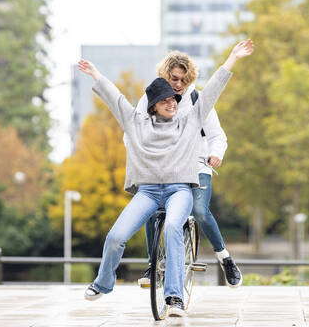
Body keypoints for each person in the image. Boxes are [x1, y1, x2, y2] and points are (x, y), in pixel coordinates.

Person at [79, 39, 254, 319]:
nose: (173, 101)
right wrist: (96, 74)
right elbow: (115, 99)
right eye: (166, 100)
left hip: (179, 189)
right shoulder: (137, 121)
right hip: (147, 191)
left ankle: (175, 297)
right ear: (152, 105)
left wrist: (232, 57)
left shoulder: (189, 120)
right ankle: (103, 283)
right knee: (115, 236)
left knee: (174, 226)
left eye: (175, 98)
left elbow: (213, 92)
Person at [136, 51, 242, 289]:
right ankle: (154, 264)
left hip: (196, 165)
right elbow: (132, 132)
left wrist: (216, 154)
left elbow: (217, 136)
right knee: (152, 210)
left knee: (200, 211)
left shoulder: (197, 100)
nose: (178, 85)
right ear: (165, 76)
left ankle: (224, 258)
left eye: (183, 80)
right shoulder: (149, 99)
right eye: (174, 78)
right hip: (164, 166)